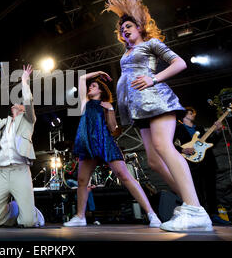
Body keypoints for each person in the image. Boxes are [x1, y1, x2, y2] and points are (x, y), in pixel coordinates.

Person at [103, 0, 212, 232]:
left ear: (140, 27)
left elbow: (179, 63)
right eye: (121, 29)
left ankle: (195, 209)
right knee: (153, 160)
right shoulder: (128, 51)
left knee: (164, 147)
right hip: (140, 109)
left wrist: (154, 78)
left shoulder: (150, 44)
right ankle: (191, 202)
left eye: (129, 26)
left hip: (158, 99)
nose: (124, 30)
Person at [63, 71, 161, 227]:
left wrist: (109, 109)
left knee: (125, 175)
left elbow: (113, 128)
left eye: (93, 86)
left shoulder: (107, 105)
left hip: (105, 142)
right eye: (90, 86)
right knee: (82, 180)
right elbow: (81, 78)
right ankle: (80, 217)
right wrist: (100, 73)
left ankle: (151, 214)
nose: (90, 87)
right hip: (88, 143)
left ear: (101, 90)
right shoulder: (85, 102)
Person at [0, 65, 44, 228]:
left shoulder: (28, 121)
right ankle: (14, 209)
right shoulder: (2, 123)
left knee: (28, 223)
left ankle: (32, 213)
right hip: (2, 174)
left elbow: (28, 101)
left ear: (23, 110)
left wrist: (24, 82)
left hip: (20, 171)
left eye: (20, 104)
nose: (17, 104)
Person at [174, 107, 228, 224]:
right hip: (192, 164)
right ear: (184, 115)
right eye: (190, 112)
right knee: (197, 190)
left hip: (208, 162)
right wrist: (182, 150)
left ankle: (214, 214)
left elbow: (211, 143)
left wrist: (218, 131)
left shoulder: (199, 128)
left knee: (211, 189)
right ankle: (201, 215)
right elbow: (170, 145)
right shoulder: (178, 129)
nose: (193, 114)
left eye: (193, 112)